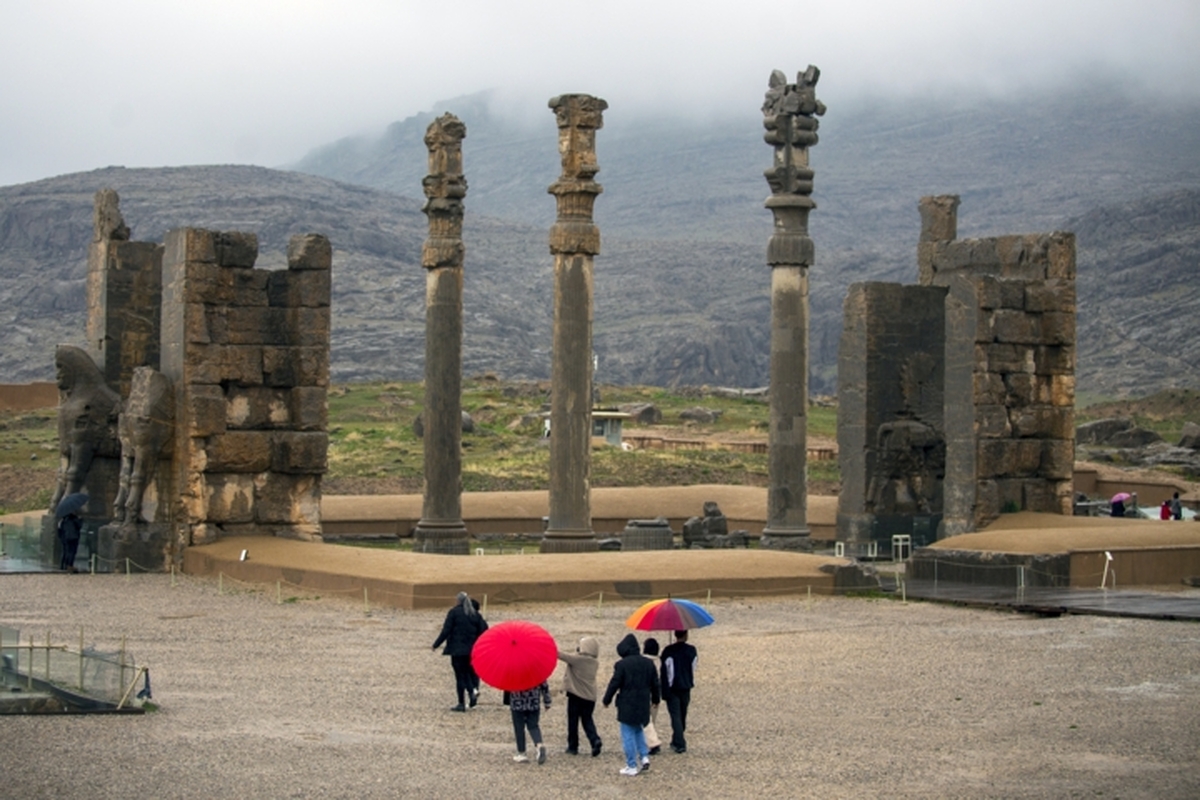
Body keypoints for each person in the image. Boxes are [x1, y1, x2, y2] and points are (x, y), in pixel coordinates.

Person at [602, 632, 660, 777]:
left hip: (627, 704)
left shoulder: (621, 665)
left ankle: (631, 765)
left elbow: (614, 683)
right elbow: (655, 683)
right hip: (643, 703)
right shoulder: (648, 663)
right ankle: (644, 756)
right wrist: (656, 699)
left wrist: (606, 699)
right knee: (639, 730)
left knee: (627, 734)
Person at [431, 591, 487, 711]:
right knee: (471, 673)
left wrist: (436, 644)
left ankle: (462, 702)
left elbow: (446, 631)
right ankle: (474, 692)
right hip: (473, 650)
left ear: (458, 601)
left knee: (460, 676)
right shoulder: (475, 614)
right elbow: (484, 631)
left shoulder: (454, 613)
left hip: (457, 650)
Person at [557, 636, 603, 757]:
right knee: (587, 720)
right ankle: (595, 740)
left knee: (573, 721)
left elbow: (561, 655)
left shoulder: (578, 659)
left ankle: (573, 747)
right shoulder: (594, 662)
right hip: (590, 697)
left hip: (576, 695)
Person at [660, 629, 698, 754]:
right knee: (682, 714)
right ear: (686, 635)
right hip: (686, 686)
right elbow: (693, 667)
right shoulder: (691, 650)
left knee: (675, 715)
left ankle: (678, 741)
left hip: (673, 688)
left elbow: (667, 672)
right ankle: (678, 740)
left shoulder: (668, 651)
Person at [508, 680, 551, 764]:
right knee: (533, 726)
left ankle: (522, 753)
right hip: (533, 701)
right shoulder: (535, 669)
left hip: (517, 702)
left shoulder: (513, 670)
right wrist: (547, 701)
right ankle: (539, 745)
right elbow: (544, 685)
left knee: (519, 728)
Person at [641, 638, 663, 755]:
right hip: (656, 693)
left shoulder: (643, 661)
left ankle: (652, 743)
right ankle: (648, 742)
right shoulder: (659, 661)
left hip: (645, 692)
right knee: (652, 720)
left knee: (645, 720)